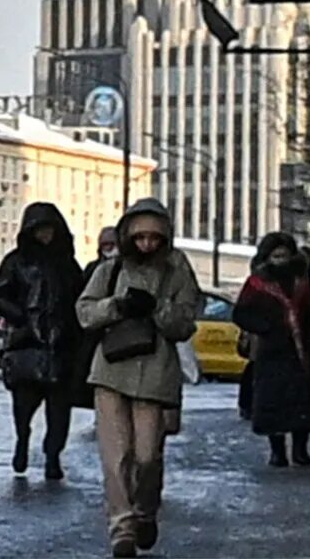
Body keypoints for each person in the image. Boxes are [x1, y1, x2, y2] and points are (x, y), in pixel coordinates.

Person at [77, 197, 202, 558]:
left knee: (147, 456)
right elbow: (84, 311)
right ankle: (122, 530)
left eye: (154, 238)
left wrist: (156, 309)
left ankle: (145, 511)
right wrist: (116, 306)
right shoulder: (111, 270)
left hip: (155, 374)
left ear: (165, 237)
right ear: (128, 235)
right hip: (111, 370)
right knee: (116, 458)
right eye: (140, 237)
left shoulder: (177, 270)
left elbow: (184, 323)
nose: (147, 244)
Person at [0, 201, 87, 480]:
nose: (46, 236)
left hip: (61, 346)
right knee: (23, 407)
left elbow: (79, 299)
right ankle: (22, 441)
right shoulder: (16, 262)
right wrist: (19, 317)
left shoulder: (67, 265)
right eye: (40, 230)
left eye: (50, 230)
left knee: (59, 412)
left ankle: (52, 456)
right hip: (26, 344)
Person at [233, 232, 310, 467]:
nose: (281, 260)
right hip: (271, 352)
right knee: (273, 403)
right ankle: (277, 450)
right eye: (276, 256)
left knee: (302, 402)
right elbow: (241, 313)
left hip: (301, 352)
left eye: (284, 255)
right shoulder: (257, 284)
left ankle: (301, 449)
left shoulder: (301, 282)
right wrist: (265, 327)